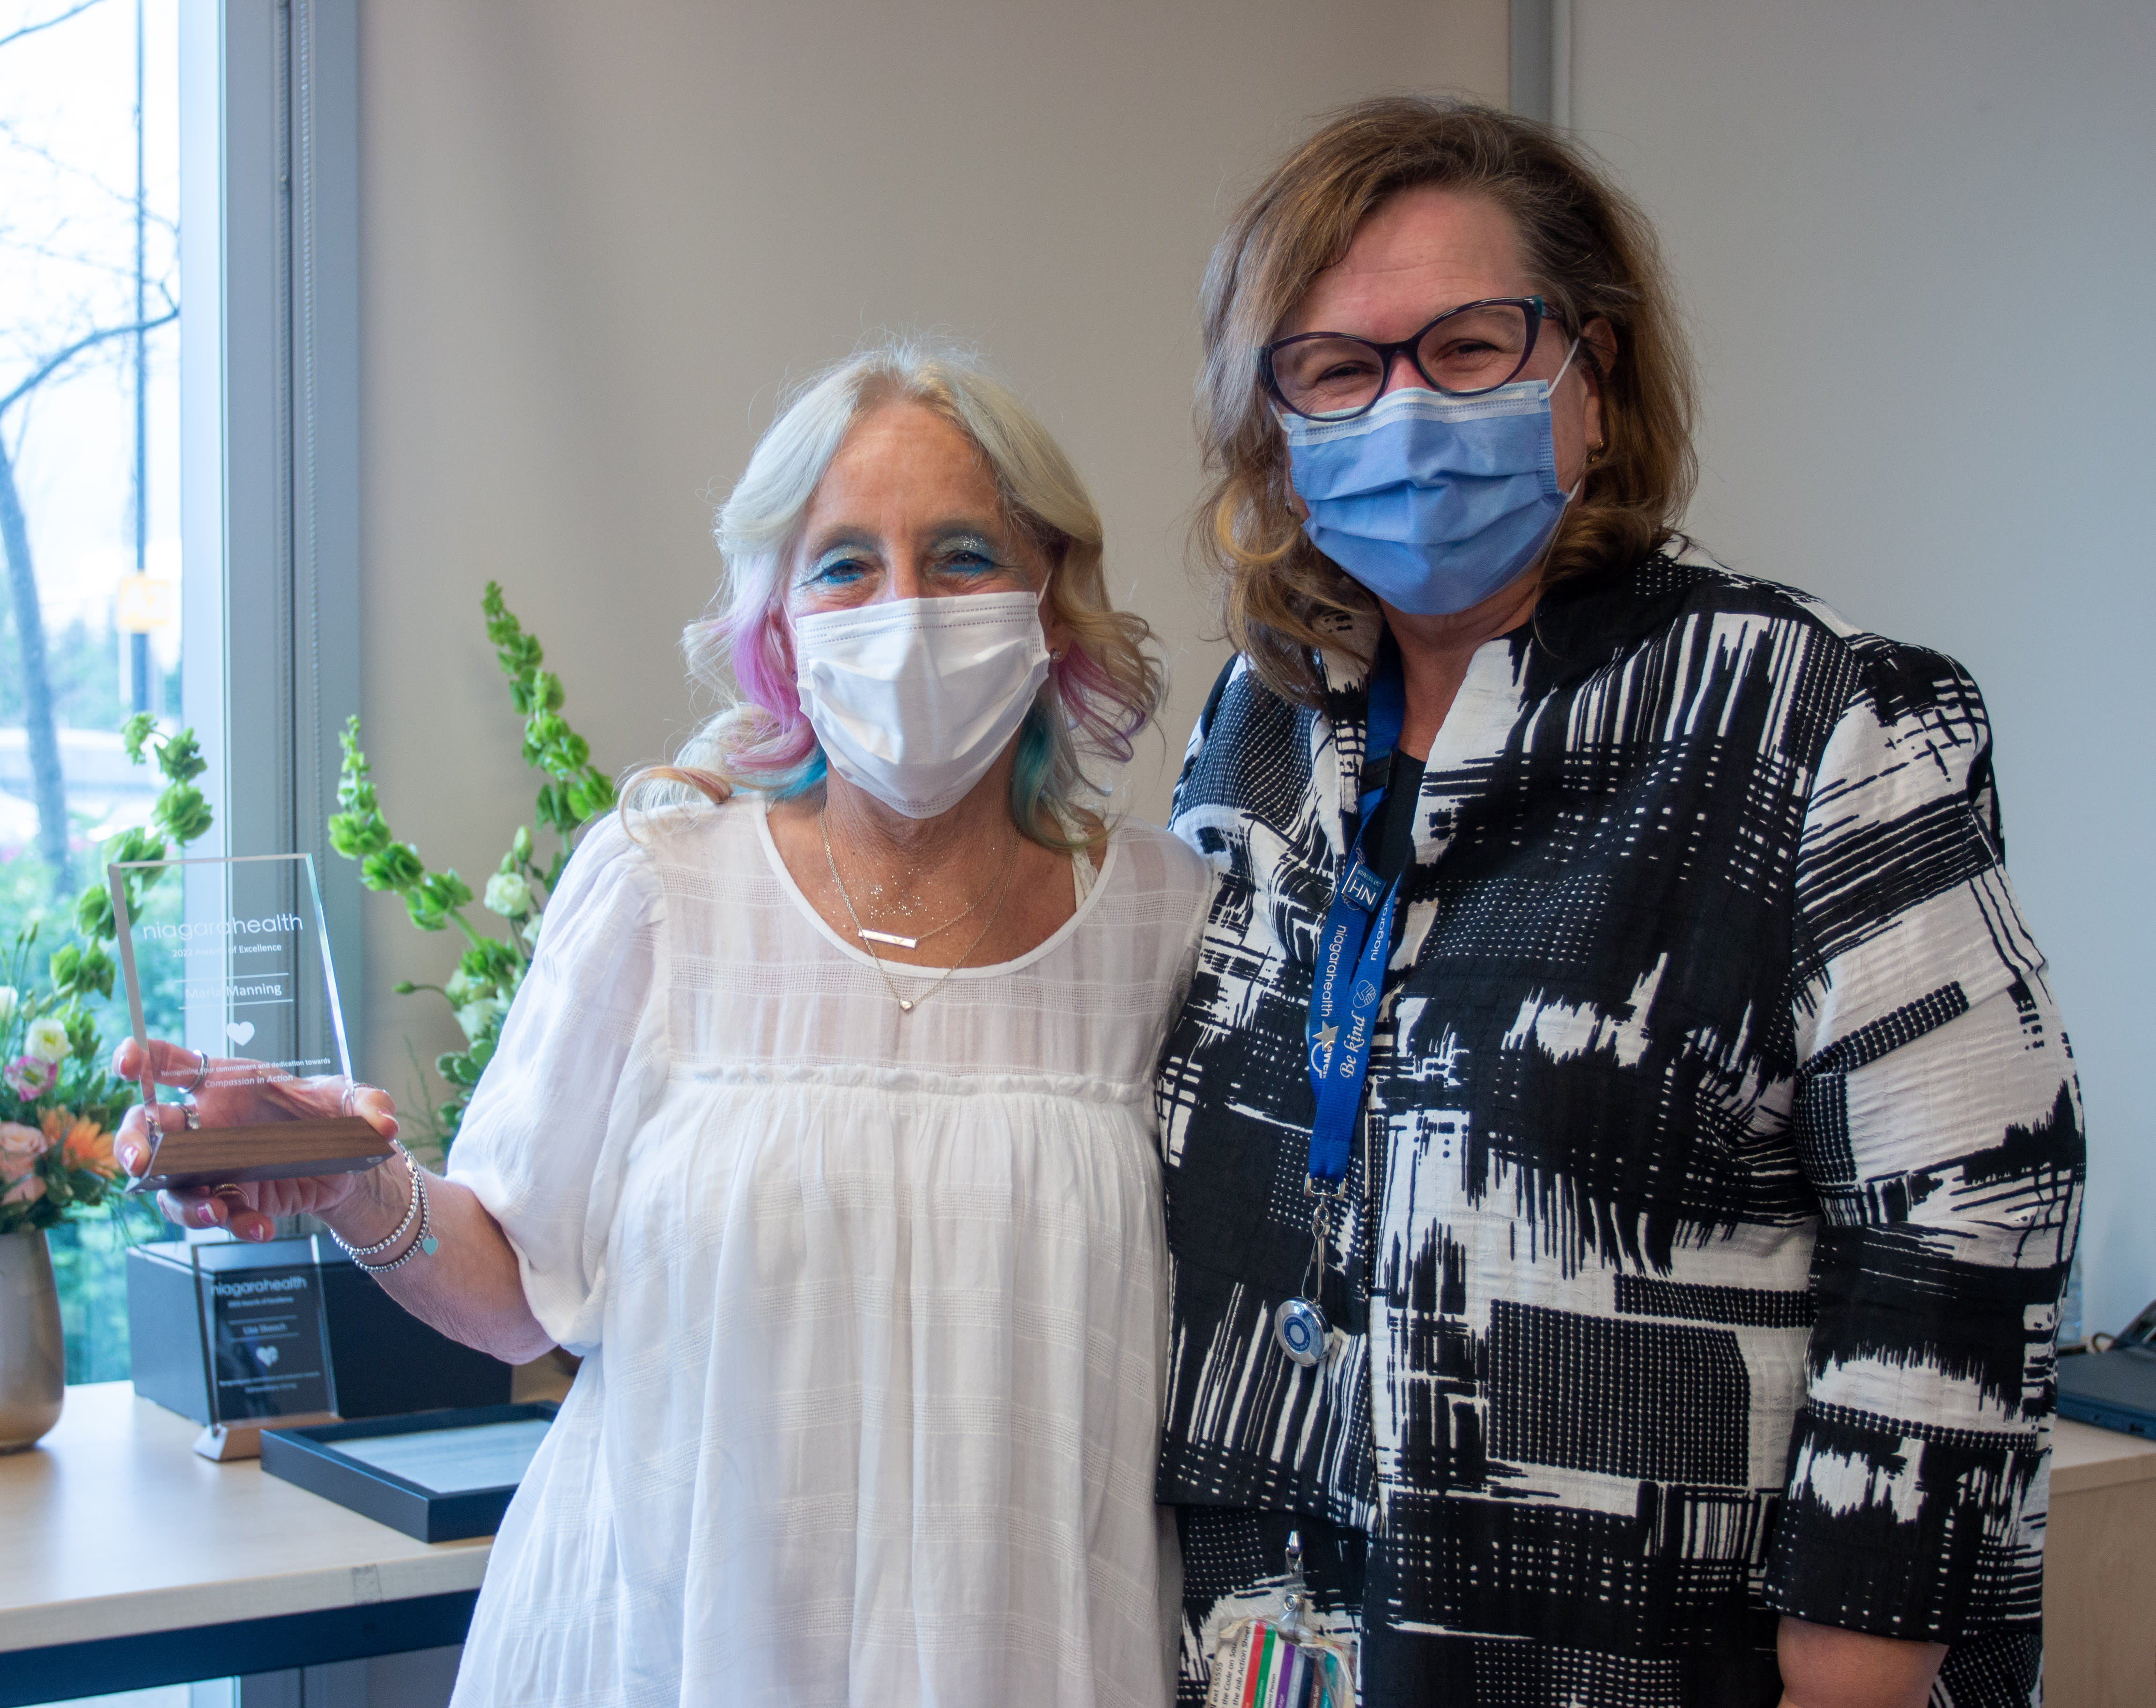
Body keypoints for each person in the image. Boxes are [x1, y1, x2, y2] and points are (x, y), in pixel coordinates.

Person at [114, 339, 1212, 1708]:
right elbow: (519, 1291)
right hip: (664, 1646)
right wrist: (346, 1171)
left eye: (963, 556)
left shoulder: (1171, 927)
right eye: (845, 566)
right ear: (777, 630)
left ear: (1051, 602)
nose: (905, 606)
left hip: (1029, 1649)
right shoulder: (660, 885)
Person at [1153, 98, 2082, 1708]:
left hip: (1662, 1658)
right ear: (1274, 426)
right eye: (1335, 369)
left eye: (1466, 347)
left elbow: (1964, 1223)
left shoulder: (1807, 713)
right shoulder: (1262, 723)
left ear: (1593, 378)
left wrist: (1853, 1673)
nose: (1401, 410)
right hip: (1263, 1630)